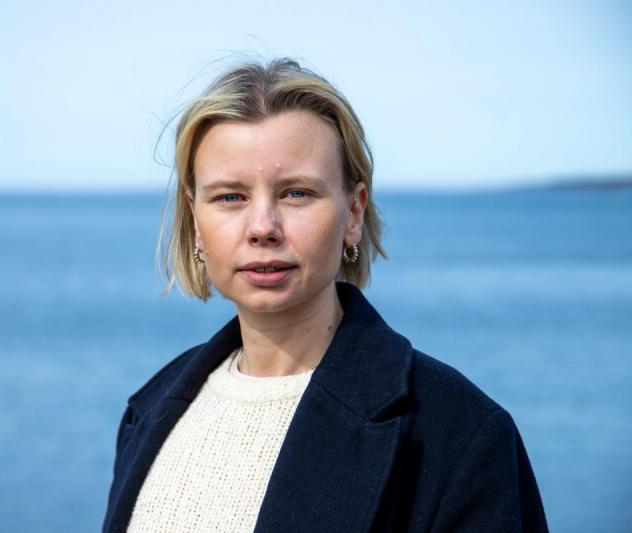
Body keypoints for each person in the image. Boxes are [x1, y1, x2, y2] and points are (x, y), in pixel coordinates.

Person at [102, 58, 548, 532]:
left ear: (353, 213)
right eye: (230, 197)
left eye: (296, 193)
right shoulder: (149, 410)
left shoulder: (459, 435)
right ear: (195, 219)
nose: (262, 228)